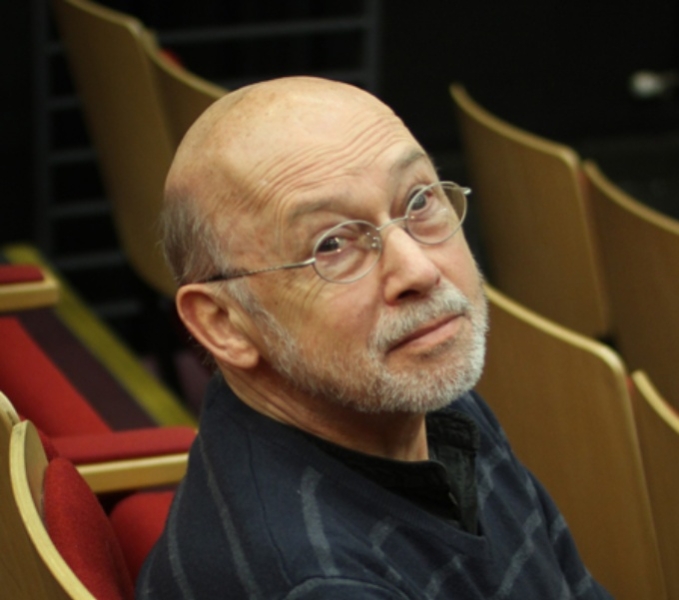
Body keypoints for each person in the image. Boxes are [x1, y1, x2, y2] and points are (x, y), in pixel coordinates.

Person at [137, 76, 612, 599]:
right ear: (224, 325)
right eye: (333, 244)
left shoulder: (417, 399)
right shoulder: (318, 583)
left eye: (419, 201)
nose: (420, 270)